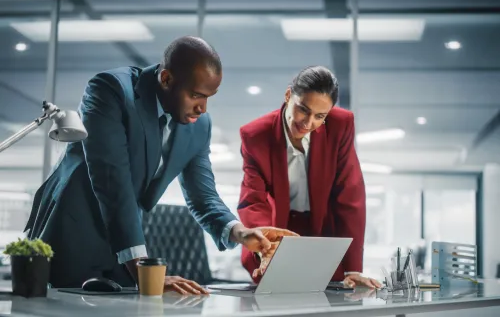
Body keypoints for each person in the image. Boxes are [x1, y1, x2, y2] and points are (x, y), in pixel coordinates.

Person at [24, 36, 296, 295]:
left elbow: (204, 196)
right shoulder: (111, 90)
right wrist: (143, 269)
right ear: (166, 79)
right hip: (73, 231)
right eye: (196, 95)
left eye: (208, 97)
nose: (203, 108)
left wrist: (241, 232)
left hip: (124, 242)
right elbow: (112, 182)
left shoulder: (199, 126)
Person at [237, 66, 381, 288]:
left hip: (324, 233)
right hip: (278, 231)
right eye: (303, 109)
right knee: (277, 294)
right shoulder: (256, 136)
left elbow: (349, 196)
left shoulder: (340, 125)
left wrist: (353, 269)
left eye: (320, 116)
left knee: (328, 299)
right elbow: (254, 200)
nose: (308, 123)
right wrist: (264, 246)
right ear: (288, 96)